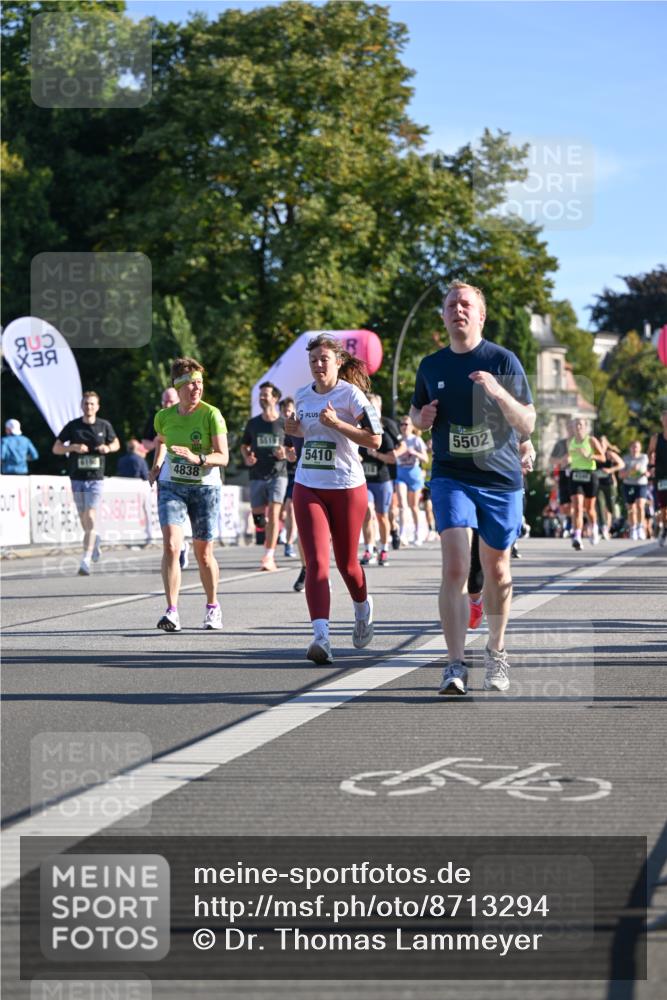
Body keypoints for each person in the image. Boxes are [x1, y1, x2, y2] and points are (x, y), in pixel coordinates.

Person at [410, 280, 536, 696]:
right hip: (451, 476)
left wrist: (500, 393)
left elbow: (528, 423)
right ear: (444, 316)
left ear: (480, 315)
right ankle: (454, 664)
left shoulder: (503, 360)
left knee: (498, 568)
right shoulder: (431, 365)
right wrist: (422, 418)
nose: (457, 309)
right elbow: (415, 414)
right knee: (455, 566)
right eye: (451, 304)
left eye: (466, 304)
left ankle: (496, 652)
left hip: (500, 479)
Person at [285, 334, 382, 665]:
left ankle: (362, 607)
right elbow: (307, 433)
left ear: (338, 362)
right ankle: (321, 637)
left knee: (348, 564)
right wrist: (294, 429)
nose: (317, 365)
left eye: (324, 359)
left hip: (346, 486)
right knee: (314, 562)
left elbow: (376, 439)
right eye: (313, 361)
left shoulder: (352, 394)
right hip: (308, 483)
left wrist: (337, 423)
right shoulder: (301, 396)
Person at [149, 357, 229, 631]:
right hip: (172, 486)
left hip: (205, 488)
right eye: (191, 384)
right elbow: (161, 440)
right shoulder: (164, 417)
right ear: (177, 386)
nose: (196, 388)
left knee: (203, 554)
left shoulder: (211, 414)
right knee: (171, 545)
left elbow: (224, 457)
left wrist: (198, 458)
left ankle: (212, 606)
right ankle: (171, 611)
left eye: (200, 383)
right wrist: (157, 464)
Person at [467, 438, 536, 630]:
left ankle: (496, 641)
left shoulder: (509, 413)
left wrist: (527, 456)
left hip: (502, 490)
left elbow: (527, 444)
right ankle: (475, 601)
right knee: (473, 569)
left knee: (497, 567)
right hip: (469, 487)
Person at [52, 392, 120, 576]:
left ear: (97, 406)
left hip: (96, 478)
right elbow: (56, 448)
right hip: (76, 477)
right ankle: (94, 538)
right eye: (86, 404)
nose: (89, 407)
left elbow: (116, 444)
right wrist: (72, 447)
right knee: (84, 519)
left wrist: (107, 448)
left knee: (90, 515)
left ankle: (85, 559)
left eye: (92, 404)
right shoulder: (73, 426)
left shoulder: (104, 425)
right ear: (82, 406)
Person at [241, 381, 289, 572]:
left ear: (275, 398)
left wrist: (284, 453)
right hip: (256, 474)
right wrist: (247, 457)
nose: (262, 397)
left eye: (265, 394)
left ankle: (269, 556)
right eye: (260, 395)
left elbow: (293, 448)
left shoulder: (283, 424)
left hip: (278, 474)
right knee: (259, 519)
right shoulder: (253, 423)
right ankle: (271, 533)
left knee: (274, 514)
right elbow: (244, 445)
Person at [143, 387, 190, 568]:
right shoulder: (158, 418)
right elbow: (145, 441)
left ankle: (182, 543)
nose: (167, 404)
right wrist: (159, 442)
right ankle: (175, 548)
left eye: (171, 401)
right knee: (170, 514)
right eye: (165, 401)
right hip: (163, 473)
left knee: (184, 513)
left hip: (186, 472)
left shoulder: (189, 417)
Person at [359, 393, 404, 567]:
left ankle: (384, 549)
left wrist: (376, 454)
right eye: (367, 405)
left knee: (382, 516)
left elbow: (393, 457)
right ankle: (369, 548)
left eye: (372, 406)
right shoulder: (360, 426)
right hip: (365, 479)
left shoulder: (385, 428)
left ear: (378, 408)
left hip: (383, 478)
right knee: (367, 513)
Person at [563, 418, 605, 550]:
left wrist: (589, 455)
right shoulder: (570, 441)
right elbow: (570, 456)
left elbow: (603, 457)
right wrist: (567, 461)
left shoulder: (591, 440)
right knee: (577, 506)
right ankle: (577, 536)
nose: (578, 427)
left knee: (590, 509)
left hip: (590, 474)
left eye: (580, 425)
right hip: (575, 474)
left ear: (586, 427)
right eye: (575, 425)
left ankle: (594, 527)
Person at [395, 416, 428, 545]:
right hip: (400, 473)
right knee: (402, 505)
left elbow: (425, 458)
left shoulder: (417, 440)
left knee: (414, 506)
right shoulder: (397, 440)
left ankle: (418, 533)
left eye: (407, 424)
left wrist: (414, 452)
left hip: (414, 474)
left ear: (412, 427)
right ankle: (402, 534)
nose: (404, 426)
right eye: (402, 424)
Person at [620, 439, 650, 540]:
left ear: (640, 448)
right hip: (629, 485)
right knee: (631, 508)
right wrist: (631, 471)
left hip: (641, 484)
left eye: (637, 447)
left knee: (640, 505)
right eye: (633, 447)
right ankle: (633, 528)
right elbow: (622, 475)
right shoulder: (625, 458)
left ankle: (640, 527)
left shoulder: (644, 457)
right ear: (630, 448)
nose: (635, 449)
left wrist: (645, 472)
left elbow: (642, 469)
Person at [595, 436, 624, 539]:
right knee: (600, 506)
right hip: (598, 484)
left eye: (603, 442)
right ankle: (604, 528)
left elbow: (621, 464)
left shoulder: (610, 454)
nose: (601, 444)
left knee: (610, 507)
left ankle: (612, 526)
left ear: (607, 444)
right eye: (600, 442)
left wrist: (610, 470)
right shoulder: (595, 454)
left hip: (609, 484)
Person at [648, 407, 667, 547]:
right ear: (662, 421)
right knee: (664, 507)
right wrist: (651, 467)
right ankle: (665, 529)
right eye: (665, 418)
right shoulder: (656, 438)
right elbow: (650, 453)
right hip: (661, 475)